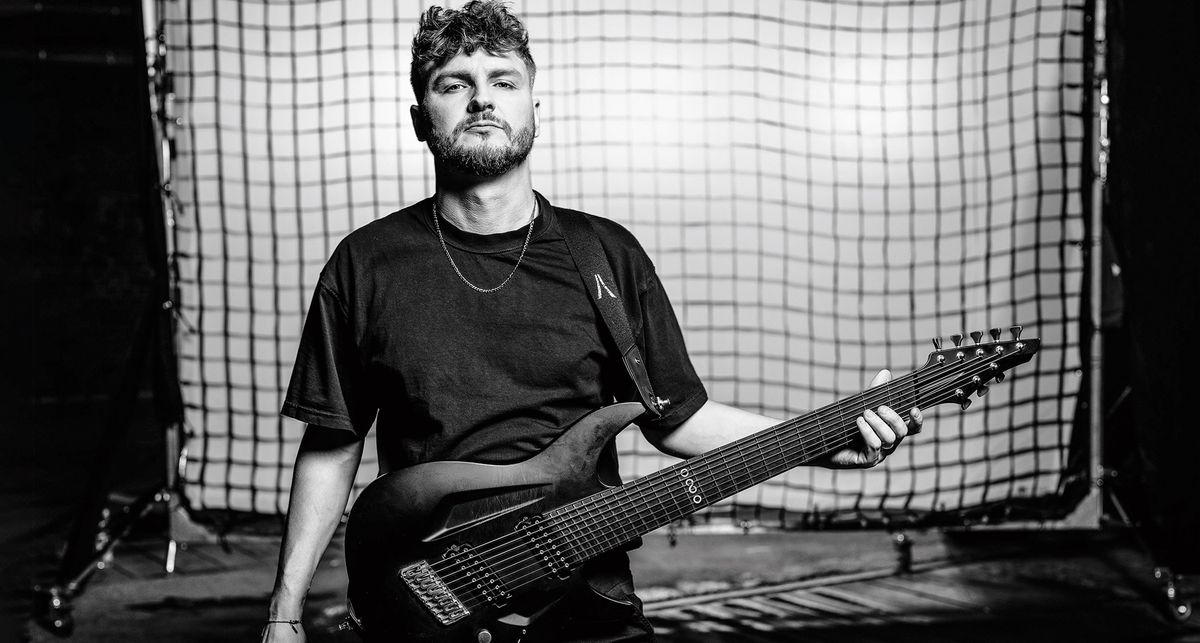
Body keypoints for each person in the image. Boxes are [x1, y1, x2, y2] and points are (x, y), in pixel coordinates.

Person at [262, 2, 922, 641]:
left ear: (534, 110)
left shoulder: (605, 254)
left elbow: (679, 417)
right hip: (430, 601)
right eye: (454, 83)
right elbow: (333, 440)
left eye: (503, 81)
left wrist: (833, 441)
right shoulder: (365, 263)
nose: (482, 99)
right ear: (419, 117)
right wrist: (285, 612)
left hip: (583, 602)